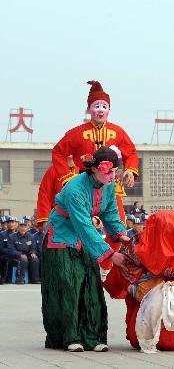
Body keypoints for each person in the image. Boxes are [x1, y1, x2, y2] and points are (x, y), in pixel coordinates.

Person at [41, 146, 132, 352]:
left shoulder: (108, 185)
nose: (112, 176)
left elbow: (110, 212)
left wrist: (121, 235)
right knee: (69, 285)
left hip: (85, 238)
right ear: (94, 169)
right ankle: (70, 336)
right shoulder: (75, 188)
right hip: (62, 236)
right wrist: (109, 254)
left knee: (91, 285)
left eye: (114, 171)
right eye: (108, 171)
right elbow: (83, 224)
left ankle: (93, 337)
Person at [103, 210, 174, 352]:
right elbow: (128, 267)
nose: (167, 234)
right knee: (155, 303)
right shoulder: (142, 240)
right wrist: (155, 283)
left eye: (172, 229)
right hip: (150, 284)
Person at [50, 80, 139, 257]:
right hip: (83, 187)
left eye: (104, 106)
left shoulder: (118, 132)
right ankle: (97, 262)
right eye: (96, 106)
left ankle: (106, 267)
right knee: (82, 227)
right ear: (90, 109)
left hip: (109, 188)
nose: (100, 110)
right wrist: (67, 177)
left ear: (109, 110)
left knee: (118, 226)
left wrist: (130, 170)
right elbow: (58, 152)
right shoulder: (76, 133)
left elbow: (131, 152)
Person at [8, 218, 41, 284]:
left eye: (25, 226)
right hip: (15, 257)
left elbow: (33, 247)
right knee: (23, 260)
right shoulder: (11, 236)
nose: (23, 228)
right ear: (18, 227)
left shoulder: (31, 236)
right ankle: (19, 279)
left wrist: (33, 253)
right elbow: (11, 250)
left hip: (28, 255)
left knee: (35, 259)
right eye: (21, 226)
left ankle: (35, 279)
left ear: (27, 227)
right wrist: (20, 254)